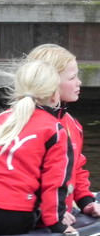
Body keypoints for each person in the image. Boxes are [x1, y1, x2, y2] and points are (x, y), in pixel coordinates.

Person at [0, 59, 74, 236]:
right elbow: (54, 183)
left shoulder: (0, 120)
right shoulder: (55, 130)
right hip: (15, 211)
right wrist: (56, 223)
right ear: (54, 95)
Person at [26, 43, 100, 219]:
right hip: (30, 215)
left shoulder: (72, 124)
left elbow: (76, 168)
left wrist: (86, 201)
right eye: (72, 77)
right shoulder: (25, 124)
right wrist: (47, 212)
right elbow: (18, 177)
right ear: (51, 83)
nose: (79, 82)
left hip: (60, 214)